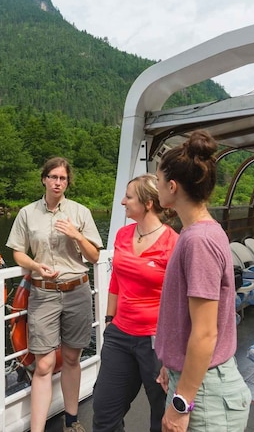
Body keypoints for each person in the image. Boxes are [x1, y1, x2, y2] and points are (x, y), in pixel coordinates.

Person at [153, 130, 251, 432]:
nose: (156, 187)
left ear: (172, 186)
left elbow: (206, 333)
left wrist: (181, 403)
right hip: (196, 381)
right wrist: (173, 366)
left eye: (157, 181)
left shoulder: (199, 241)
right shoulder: (199, 233)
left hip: (205, 396)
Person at [6, 157, 103, 432]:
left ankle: (71, 420)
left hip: (77, 291)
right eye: (53, 177)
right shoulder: (27, 214)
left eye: (63, 178)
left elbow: (94, 255)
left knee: (72, 357)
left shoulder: (80, 212)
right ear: (44, 179)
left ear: (67, 182)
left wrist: (77, 235)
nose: (58, 182)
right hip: (43, 293)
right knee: (44, 363)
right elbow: (17, 252)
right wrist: (35, 266)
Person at [92, 174, 178, 432]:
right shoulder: (123, 235)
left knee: (161, 414)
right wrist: (109, 321)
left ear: (148, 203)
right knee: (104, 411)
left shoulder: (172, 242)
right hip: (119, 335)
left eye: (128, 197)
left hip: (156, 341)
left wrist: (170, 354)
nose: (122, 202)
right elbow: (116, 280)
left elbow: (178, 302)